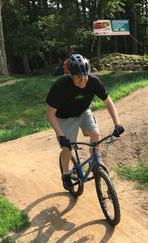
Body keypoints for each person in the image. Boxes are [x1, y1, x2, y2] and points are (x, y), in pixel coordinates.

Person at [46, 53, 124, 190]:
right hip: (64, 117)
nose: (83, 80)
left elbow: (108, 102)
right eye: (79, 77)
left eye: (85, 76)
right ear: (71, 75)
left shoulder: (93, 81)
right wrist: (61, 135)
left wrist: (117, 124)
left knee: (96, 135)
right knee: (67, 147)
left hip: (83, 112)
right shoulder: (60, 86)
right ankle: (65, 174)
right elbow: (50, 113)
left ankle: (95, 165)